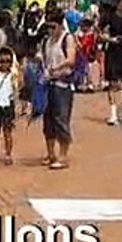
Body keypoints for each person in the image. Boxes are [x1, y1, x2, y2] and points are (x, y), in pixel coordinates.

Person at [40, 19, 77, 170]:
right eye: (48, 27)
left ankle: (63, 155)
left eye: (53, 27)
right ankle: (50, 154)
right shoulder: (46, 41)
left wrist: (57, 67)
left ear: (60, 25)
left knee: (61, 119)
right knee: (48, 121)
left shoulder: (67, 38)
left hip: (63, 84)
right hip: (48, 83)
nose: (50, 30)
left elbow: (71, 59)